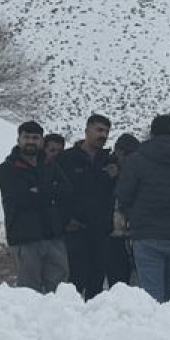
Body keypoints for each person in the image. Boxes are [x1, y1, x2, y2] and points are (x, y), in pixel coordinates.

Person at [114, 114, 170, 303]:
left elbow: (123, 195)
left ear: (152, 134)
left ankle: (154, 328)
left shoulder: (136, 161)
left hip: (146, 235)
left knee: (151, 294)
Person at [0, 121, 72, 293]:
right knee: (29, 294)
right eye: (26, 137)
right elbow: (22, 199)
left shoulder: (50, 166)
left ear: (42, 141)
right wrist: (50, 191)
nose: (30, 141)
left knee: (60, 292)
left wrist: (39, 191)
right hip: (25, 239)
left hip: (54, 237)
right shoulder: (6, 169)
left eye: (35, 138)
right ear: (18, 139)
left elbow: (66, 191)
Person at [57, 114, 116, 300]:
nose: (103, 135)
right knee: (74, 282)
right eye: (99, 130)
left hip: (101, 232)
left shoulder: (109, 161)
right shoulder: (67, 159)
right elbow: (61, 192)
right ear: (87, 130)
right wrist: (66, 219)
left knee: (96, 284)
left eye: (106, 131)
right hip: (76, 230)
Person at [106, 133, 140, 288]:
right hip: (115, 234)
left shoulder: (136, 172)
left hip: (132, 233)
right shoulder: (110, 169)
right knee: (118, 281)